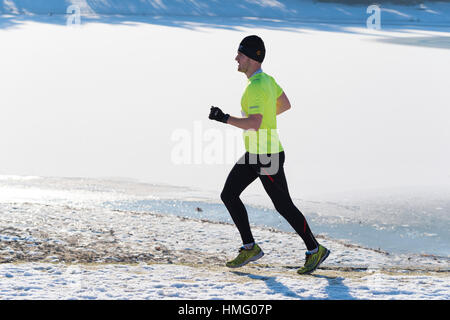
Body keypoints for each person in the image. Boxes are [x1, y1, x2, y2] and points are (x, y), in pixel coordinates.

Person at [208, 35, 330, 275]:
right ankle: (250, 247)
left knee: (283, 205)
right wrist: (264, 117)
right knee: (229, 194)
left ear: (253, 58)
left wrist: (224, 118)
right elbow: (284, 104)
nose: (236, 58)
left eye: (240, 55)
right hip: (256, 152)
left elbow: (254, 122)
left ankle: (314, 249)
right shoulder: (266, 80)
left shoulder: (255, 88)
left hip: (267, 155)